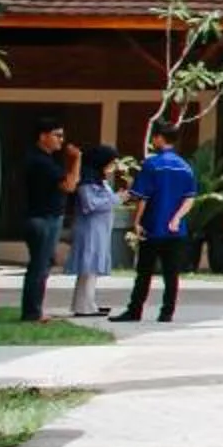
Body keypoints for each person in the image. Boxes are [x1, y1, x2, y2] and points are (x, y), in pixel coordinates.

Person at [119, 125, 199, 326]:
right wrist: (177, 218)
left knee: (144, 272)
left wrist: (136, 222)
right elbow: (189, 199)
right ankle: (166, 313)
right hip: (175, 230)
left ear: (159, 138)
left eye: (154, 137)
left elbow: (143, 197)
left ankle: (134, 310)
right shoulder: (185, 166)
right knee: (171, 273)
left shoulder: (152, 164)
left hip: (152, 227)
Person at [16, 120, 76, 324]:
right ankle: (32, 313)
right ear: (43, 136)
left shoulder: (46, 160)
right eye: (57, 135)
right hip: (42, 219)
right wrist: (77, 160)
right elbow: (69, 185)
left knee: (43, 265)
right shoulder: (39, 161)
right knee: (39, 266)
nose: (61, 140)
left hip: (47, 217)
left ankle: (35, 310)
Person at [65, 144, 120, 318]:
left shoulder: (99, 181)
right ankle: (84, 306)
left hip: (100, 229)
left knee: (92, 269)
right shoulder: (86, 182)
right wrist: (117, 199)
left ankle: (89, 303)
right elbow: (91, 204)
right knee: (88, 268)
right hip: (89, 230)